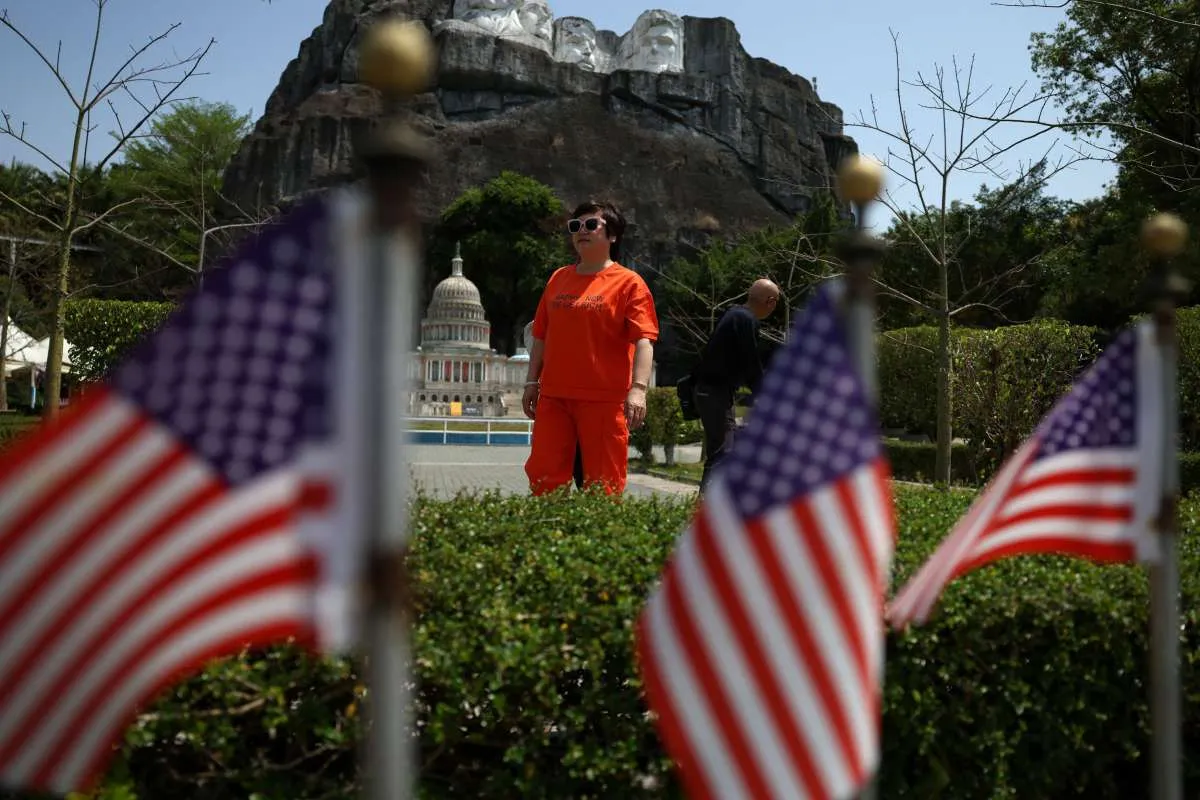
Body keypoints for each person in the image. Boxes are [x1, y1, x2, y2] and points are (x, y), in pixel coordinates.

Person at [523, 200, 659, 496]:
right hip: (555, 397)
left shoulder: (629, 283)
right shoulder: (558, 279)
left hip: (603, 400)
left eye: (590, 225)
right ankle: (550, 536)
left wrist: (638, 389)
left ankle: (602, 537)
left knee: (604, 484)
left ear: (613, 235)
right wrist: (532, 382)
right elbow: (541, 336)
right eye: (575, 226)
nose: (580, 231)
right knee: (544, 478)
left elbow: (644, 338)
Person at [691, 277, 780, 490]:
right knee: (723, 452)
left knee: (721, 450)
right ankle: (706, 508)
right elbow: (751, 362)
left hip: (710, 391)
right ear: (771, 302)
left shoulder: (734, 314)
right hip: (715, 392)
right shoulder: (745, 320)